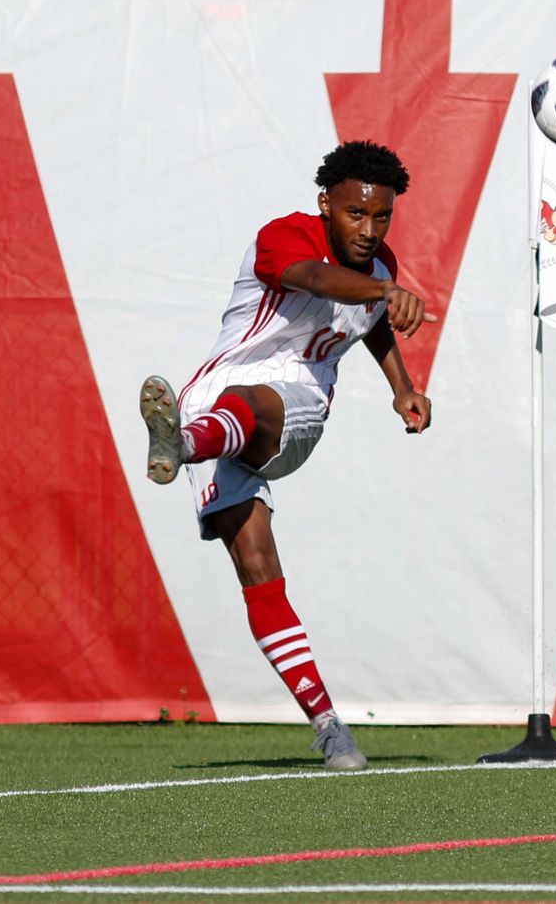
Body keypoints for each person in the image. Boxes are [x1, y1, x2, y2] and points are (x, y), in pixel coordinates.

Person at [139, 140, 434, 771]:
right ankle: (329, 726)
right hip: (211, 401)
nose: (369, 228)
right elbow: (315, 279)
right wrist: (383, 290)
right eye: (356, 213)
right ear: (326, 203)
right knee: (257, 566)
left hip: (291, 407)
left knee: (264, 397)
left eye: (381, 216)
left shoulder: (378, 267)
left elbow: (369, 317)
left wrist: (402, 387)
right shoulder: (283, 236)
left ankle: (183, 447)